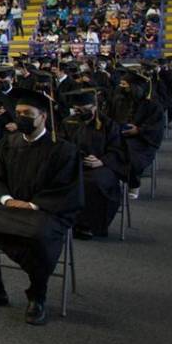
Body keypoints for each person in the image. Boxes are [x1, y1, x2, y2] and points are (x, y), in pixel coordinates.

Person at [0, 88, 83, 326]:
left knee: (39, 235)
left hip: (45, 211)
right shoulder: (8, 144)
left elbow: (65, 191)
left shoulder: (63, 150)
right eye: (18, 113)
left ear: (43, 117)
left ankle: (37, 296)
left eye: (28, 113)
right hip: (9, 206)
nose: (21, 118)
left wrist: (31, 204)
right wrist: (7, 200)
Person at [60, 87, 124, 239]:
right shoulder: (68, 122)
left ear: (94, 106)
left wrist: (101, 161)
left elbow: (117, 151)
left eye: (84, 109)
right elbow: (61, 145)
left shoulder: (108, 125)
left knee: (92, 183)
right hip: (74, 164)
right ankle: (65, 221)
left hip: (101, 167)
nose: (80, 112)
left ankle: (88, 225)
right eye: (77, 109)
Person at [109, 68, 164, 200]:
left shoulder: (152, 104)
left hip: (142, 141)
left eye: (125, 85)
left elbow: (155, 127)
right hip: (119, 136)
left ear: (135, 87)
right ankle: (110, 184)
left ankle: (134, 184)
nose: (121, 87)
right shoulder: (119, 99)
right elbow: (110, 118)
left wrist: (139, 130)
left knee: (128, 155)